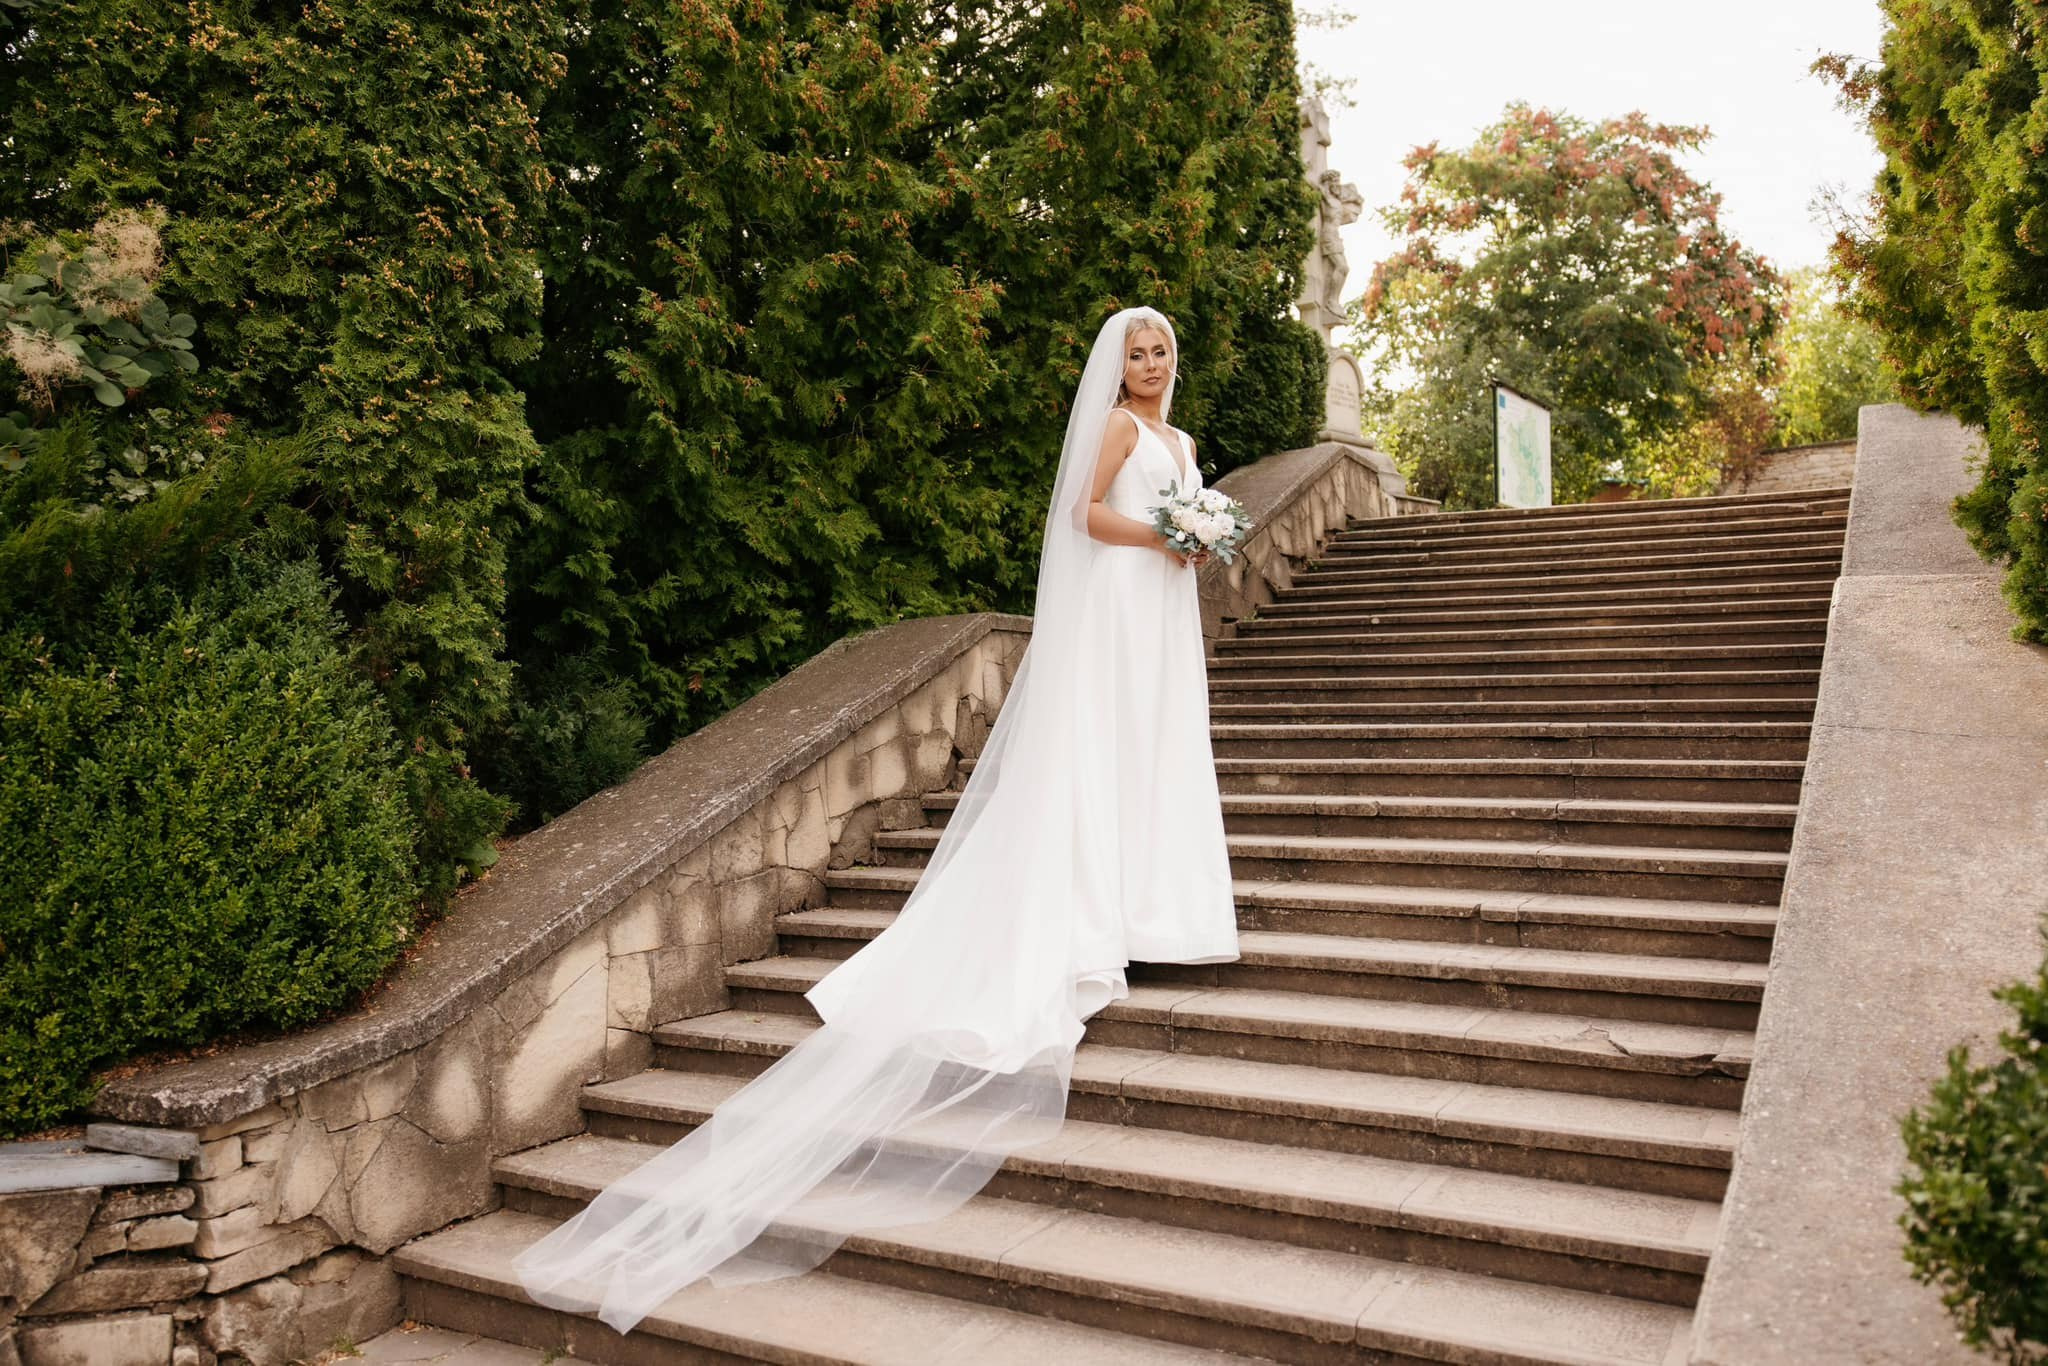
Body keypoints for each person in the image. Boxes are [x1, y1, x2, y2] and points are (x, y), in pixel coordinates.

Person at [512, 305, 1239, 1334]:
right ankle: (1100, 910)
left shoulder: (1185, 441)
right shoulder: (1120, 431)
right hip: (1122, 599)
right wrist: (1168, 530)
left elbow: (1183, 511)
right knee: (1107, 747)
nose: (1151, 363)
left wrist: (1196, 541)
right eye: (1136, 352)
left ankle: (1155, 907)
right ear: (1116, 369)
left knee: (1154, 750)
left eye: (1161, 349)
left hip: (1161, 608)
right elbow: (1083, 517)